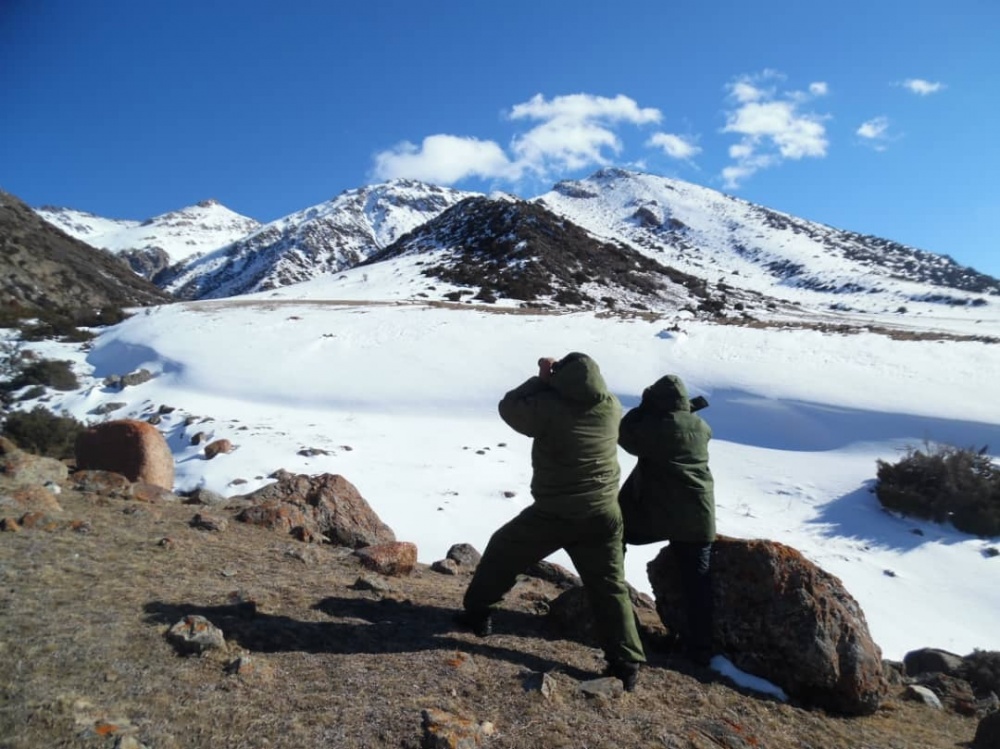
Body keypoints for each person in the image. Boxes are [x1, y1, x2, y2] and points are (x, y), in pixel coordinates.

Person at [455, 352, 647, 690]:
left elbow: (509, 407)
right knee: (609, 586)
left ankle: (478, 612)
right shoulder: (611, 406)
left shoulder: (549, 409)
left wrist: (541, 380)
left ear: (562, 381)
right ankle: (627, 661)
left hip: (555, 512)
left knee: (503, 550)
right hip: (603, 513)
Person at [617, 374, 717, 667]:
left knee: (614, 537)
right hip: (699, 516)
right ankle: (700, 649)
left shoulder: (655, 427)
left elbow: (626, 434)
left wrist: (643, 408)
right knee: (697, 585)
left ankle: (613, 607)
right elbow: (681, 428)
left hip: (658, 514)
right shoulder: (701, 426)